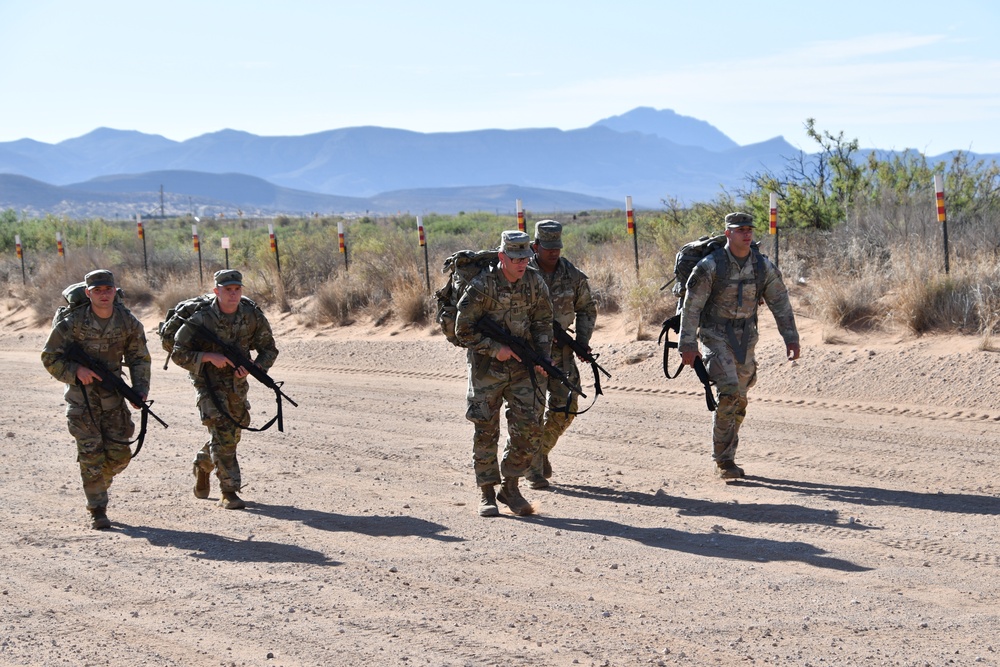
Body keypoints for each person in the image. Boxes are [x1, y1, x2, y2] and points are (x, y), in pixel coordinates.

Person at [678, 212, 800, 479]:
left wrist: (791, 338)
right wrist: (687, 343)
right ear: (728, 233)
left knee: (740, 400)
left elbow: (780, 302)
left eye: (749, 229)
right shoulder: (711, 266)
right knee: (730, 391)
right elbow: (692, 307)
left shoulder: (761, 266)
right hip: (715, 334)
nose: (746, 233)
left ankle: (727, 453)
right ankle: (724, 461)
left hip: (746, 337)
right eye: (740, 229)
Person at [41, 269, 152, 530]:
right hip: (83, 402)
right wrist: (75, 372)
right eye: (97, 290)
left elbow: (139, 357)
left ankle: (97, 484)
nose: (104, 294)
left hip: (114, 398)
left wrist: (139, 390)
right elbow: (50, 357)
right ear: (88, 293)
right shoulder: (72, 322)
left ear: (115, 291)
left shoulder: (127, 322)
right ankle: (97, 509)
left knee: (120, 456)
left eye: (108, 289)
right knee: (91, 456)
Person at [454, 230, 553, 517]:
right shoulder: (482, 286)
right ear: (502, 257)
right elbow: (463, 331)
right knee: (485, 429)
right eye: (515, 258)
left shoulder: (534, 282)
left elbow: (544, 322)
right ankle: (487, 493)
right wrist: (494, 348)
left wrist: (542, 357)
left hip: (522, 366)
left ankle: (510, 486)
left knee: (530, 427)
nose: (522, 263)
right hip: (488, 367)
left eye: (525, 257)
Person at [170, 269, 278, 509]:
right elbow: (177, 352)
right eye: (227, 290)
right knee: (222, 431)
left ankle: (203, 463)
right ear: (216, 291)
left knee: (233, 432)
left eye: (237, 289)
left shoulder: (251, 316)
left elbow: (269, 349)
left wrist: (254, 367)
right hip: (206, 380)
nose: (233, 294)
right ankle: (229, 491)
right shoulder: (201, 319)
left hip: (236, 381)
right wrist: (208, 357)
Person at [525, 220, 596, 489]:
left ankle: (539, 451)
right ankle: (532, 469)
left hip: (561, 350)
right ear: (535, 246)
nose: (553, 252)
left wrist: (582, 340)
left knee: (567, 405)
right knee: (531, 409)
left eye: (557, 247)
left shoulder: (572, 274)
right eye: (547, 247)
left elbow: (587, 308)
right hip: (528, 351)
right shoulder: (523, 272)